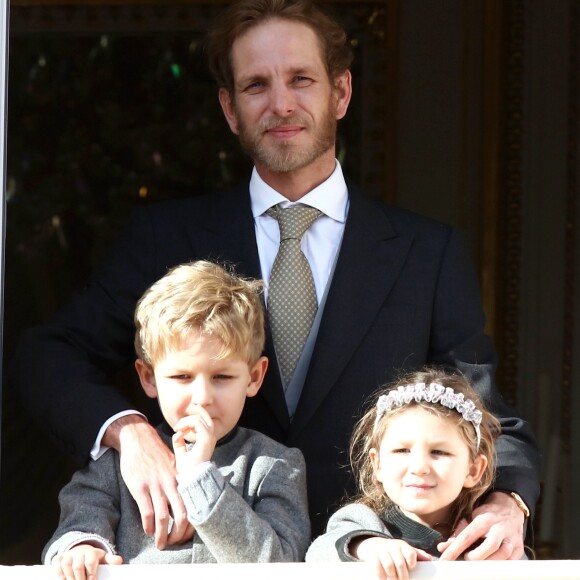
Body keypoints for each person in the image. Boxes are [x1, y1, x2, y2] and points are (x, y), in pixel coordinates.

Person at [10, 0, 540, 557]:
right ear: (230, 108)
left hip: (377, 562)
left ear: (341, 92)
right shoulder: (164, 237)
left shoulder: (427, 252)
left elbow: (483, 413)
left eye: (301, 79)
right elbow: (47, 355)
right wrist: (130, 433)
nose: (282, 104)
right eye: (257, 85)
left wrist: (508, 501)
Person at [43, 260, 310, 579]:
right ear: (148, 378)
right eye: (182, 376)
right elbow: (79, 523)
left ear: (254, 377)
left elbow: (280, 565)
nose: (203, 397)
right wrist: (82, 548)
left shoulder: (276, 464)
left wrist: (200, 478)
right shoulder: (117, 464)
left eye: (222, 376)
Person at [306, 368, 504, 579]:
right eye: (402, 451)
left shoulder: (486, 538)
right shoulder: (361, 523)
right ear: (378, 464)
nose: (419, 467)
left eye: (439, 452)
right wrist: (366, 546)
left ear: (473, 470)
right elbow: (318, 552)